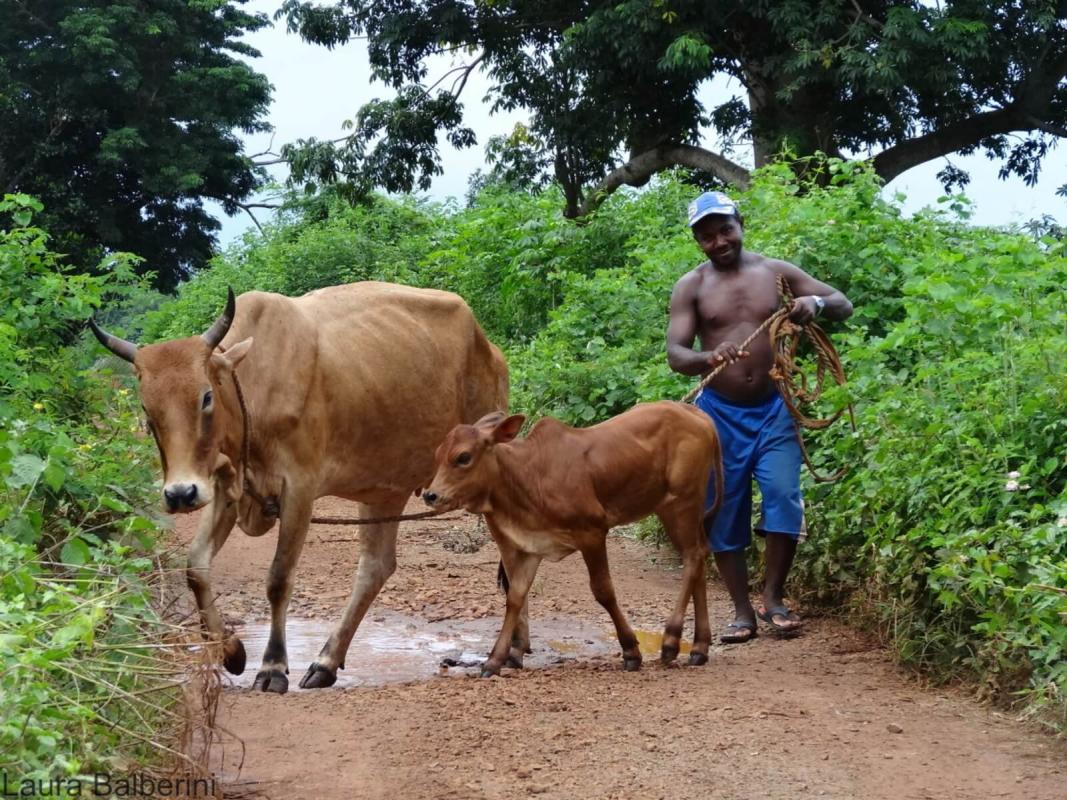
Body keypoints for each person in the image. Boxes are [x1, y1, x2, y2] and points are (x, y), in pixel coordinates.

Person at [666, 190, 853, 643]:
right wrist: (710, 356)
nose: (719, 241)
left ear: (740, 223)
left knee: (783, 494)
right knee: (723, 508)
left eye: (725, 229)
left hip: (775, 410)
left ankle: (774, 598)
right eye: (707, 236)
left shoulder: (776, 273)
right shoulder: (691, 286)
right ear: (697, 241)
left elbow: (842, 302)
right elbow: (675, 354)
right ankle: (741, 612)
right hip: (718, 416)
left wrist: (816, 306)